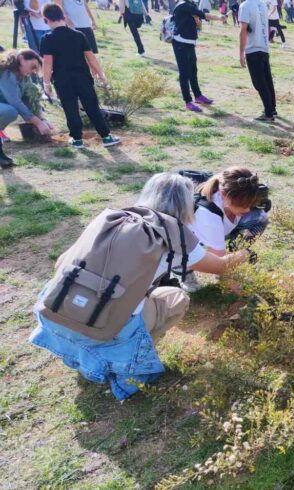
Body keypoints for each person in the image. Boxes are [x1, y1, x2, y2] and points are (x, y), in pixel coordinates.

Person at [29, 173, 251, 400]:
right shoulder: (175, 235)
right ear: (186, 204)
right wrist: (246, 251)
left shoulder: (110, 217)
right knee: (176, 298)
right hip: (102, 330)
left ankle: (79, 350)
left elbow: (60, 263)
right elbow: (220, 266)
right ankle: (128, 361)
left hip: (54, 314)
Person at [40, 4, 120, 150]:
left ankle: (77, 139)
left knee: (70, 108)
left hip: (62, 80)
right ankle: (106, 137)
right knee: (92, 107)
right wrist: (101, 74)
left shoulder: (47, 38)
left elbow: (47, 63)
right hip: (83, 77)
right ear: (63, 16)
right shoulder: (79, 35)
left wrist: (46, 83)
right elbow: (91, 58)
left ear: (46, 19)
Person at [182, 167, 269, 291]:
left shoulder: (238, 192)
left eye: (250, 204)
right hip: (185, 242)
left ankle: (233, 258)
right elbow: (219, 264)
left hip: (214, 230)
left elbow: (254, 213)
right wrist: (241, 291)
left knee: (260, 218)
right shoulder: (208, 216)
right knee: (187, 254)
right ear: (224, 195)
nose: (247, 210)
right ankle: (184, 268)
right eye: (242, 205)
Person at [0, 49, 54, 167]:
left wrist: (42, 119)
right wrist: (38, 122)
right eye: (33, 66)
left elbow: (31, 97)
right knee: (10, 111)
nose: (33, 71)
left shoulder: (24, 76)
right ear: (21, 59)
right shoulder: (5, 73)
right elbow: (15, 101)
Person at [171, 0, 224, 112]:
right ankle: (188, 101)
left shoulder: (191, 5)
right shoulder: (183, 5)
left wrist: (197, 21)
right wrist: (219, 17)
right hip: (180, 43)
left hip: (190, 43)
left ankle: (198, 96)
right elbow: (203, 15)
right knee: (184, 73)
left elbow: (199, 25)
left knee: (193, 71)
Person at [239, 0, 277, 122]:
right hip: (264, 47)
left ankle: (268, 114)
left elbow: (243, 30)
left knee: (259, 83)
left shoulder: (245, 6)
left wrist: (241, 53)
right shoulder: (262, 4)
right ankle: (272, 109)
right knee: (267, 81)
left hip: (253, 48)